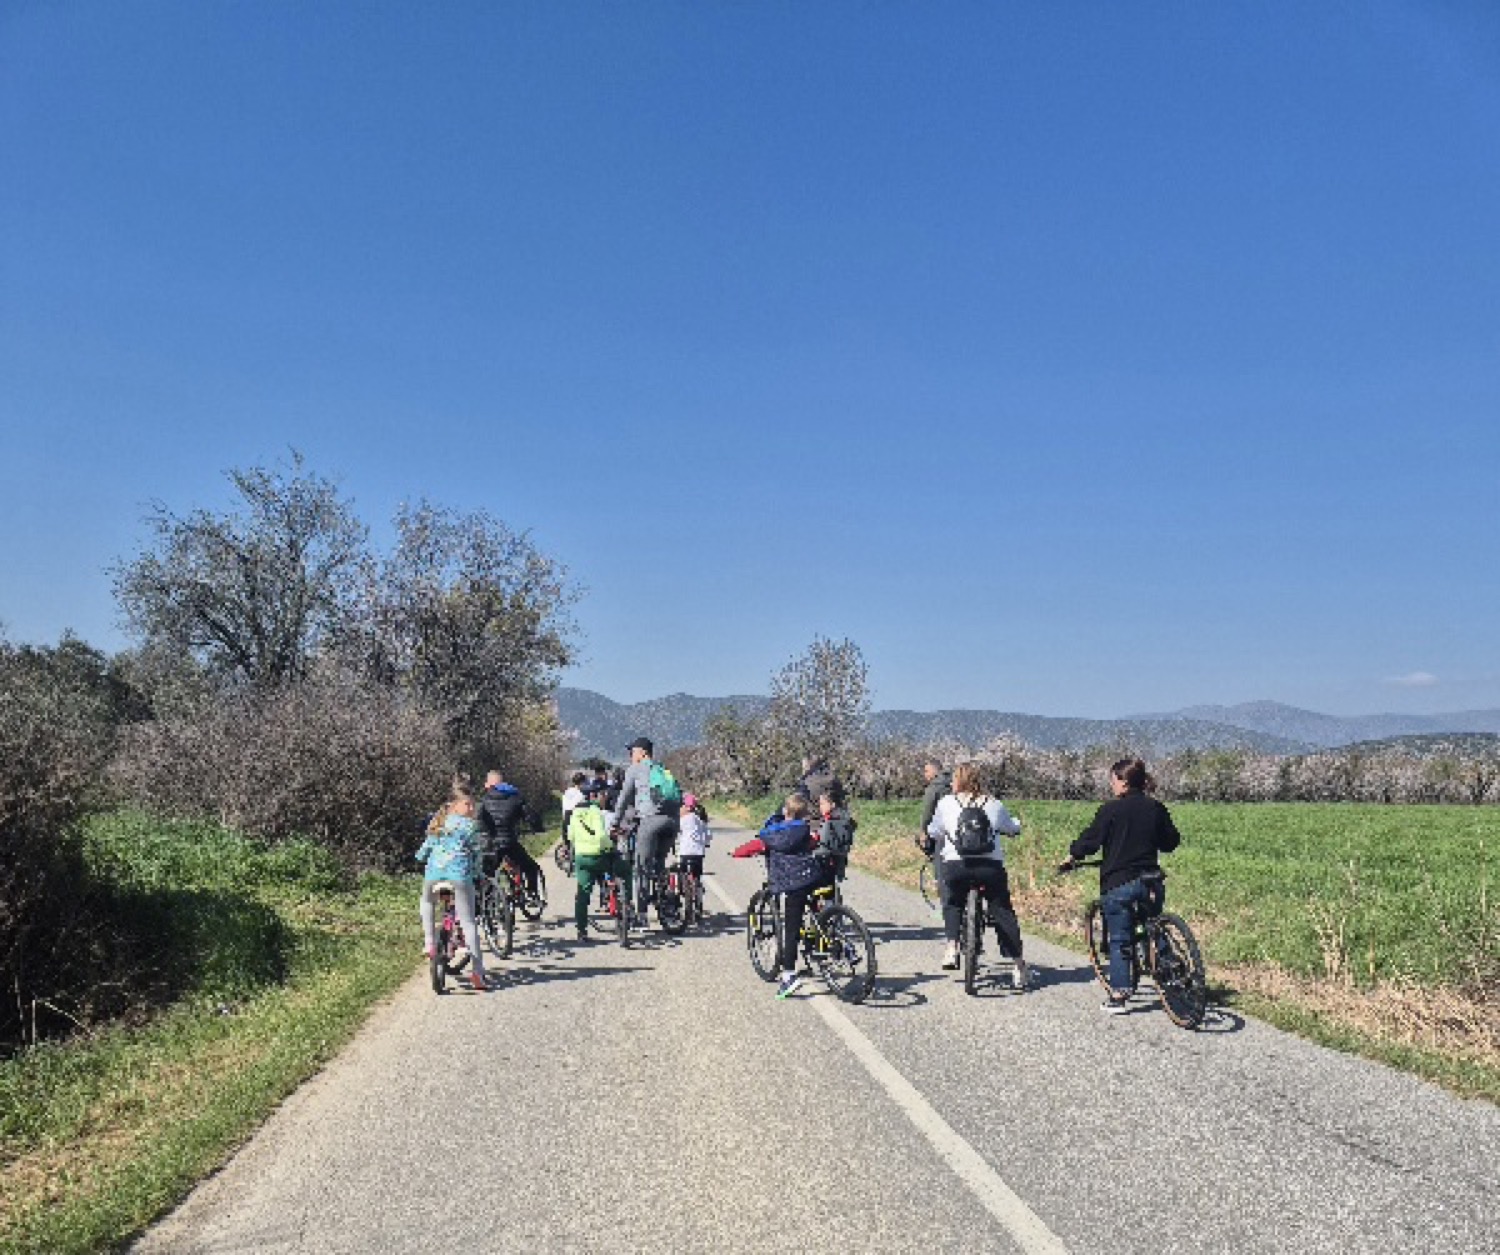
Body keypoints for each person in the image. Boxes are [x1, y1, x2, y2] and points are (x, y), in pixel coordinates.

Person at [1060, 757, 1181, 1014]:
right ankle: (1173, 971)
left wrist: (1072, 856)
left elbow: (1090, 841)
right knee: (1153, 925)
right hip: (1151, 881)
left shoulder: (1111, 810)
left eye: (1113, 780)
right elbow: (1170, 842)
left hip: (1119, 882)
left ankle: (1119, 994)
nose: (1111, 785)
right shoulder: (1156, 808)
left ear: (1123, 782)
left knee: (1120, 940)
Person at [926, 761, 1027, 988]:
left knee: (953, 902)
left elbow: (934, 830)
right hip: (989, 867)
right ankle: (1018, 964)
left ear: (958, 781)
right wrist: (1016, 826)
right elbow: (1011, 827)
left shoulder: (946, 803)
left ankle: (952, 947)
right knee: (1002, 910)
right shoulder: (994, 804)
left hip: (956, 866)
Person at [732, 794, 835, 999]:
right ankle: (826, 942)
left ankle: (789, 976)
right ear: (804, 814)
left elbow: (751, 847)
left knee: (791, 929)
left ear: (784, 812)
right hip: (813, 877)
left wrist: (735, 853)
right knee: (816, 908)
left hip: (793, 884)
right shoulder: (805, 831)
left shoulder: (771, 835)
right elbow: (814, 843)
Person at [415, 785, 486, 991]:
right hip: (459, 876)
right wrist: (478, 874)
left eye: (473, 805)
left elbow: (423, 851)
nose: (471, 808)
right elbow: (476, 854)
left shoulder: (437, 823)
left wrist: (420, 858)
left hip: (434, 874)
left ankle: (429, 942)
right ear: (454, 806)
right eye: (467, 804)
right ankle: (478, 972)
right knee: (468, 921)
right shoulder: (470, 826)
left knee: (426, 901)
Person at [612, 736, 679, 925]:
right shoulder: (662, 769)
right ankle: (667, 903)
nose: (630, 755)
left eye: (632, 752)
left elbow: (623, 799)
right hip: (672, 821)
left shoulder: (635, 770)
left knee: (641, 867)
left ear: (642, 753)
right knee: (659, 862)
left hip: (650, 821)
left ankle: (641, 916)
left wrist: (615, 823)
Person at [569, 779, 626, 942]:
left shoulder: (575, 812)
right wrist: (610, 845)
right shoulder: (595, 811)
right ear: (595, 796)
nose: (605, 797)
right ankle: (624, 905)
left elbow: (570, 836)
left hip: (581, 857)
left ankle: (581, 931)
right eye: (603, 794)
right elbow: (601, 836)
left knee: (583, 894)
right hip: (598, 855)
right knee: (622, 869)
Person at [478, 769, 544, 901]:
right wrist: (537, 828)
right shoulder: (515, 797)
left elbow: (478, 821)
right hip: (509, 843)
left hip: (490, 845)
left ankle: (486, 902)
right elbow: (531, 817)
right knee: (531, 867)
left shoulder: (483, 801)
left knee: (488, 874)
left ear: (488, 784)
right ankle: (532, 893)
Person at [915, 757, 952, 894]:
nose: (925, 774)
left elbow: (928, 811)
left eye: (927, 771)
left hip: (941, 829)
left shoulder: (935, 787)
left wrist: (923, 831)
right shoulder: (954, 783)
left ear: (935, 771)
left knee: (928, 845)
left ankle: (939, 876)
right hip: (961, 828)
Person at [813, 789, 856, 881]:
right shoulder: (845, 818)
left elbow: (825, 844)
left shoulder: (833, 820)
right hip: (839, 861)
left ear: (833, 805)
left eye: (822, 804)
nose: (820, 807)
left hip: (827, 861)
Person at [676, 792, 712, 883]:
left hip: (685, 851)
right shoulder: (700, 821)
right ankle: (697, 886)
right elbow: (708, 835)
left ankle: (682, 886)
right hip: (698, 852)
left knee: (682, 872)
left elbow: (676, 832)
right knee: (697, 874)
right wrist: (706, 843)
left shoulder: (682, 820)